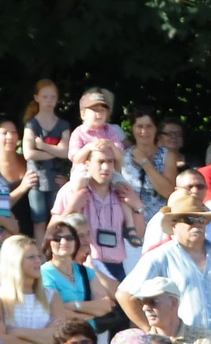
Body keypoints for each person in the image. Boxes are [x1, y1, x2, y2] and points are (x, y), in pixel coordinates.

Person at [119, 189, 211, 342]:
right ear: (174, 225)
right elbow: (125, 295)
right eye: (189, 219)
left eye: (201, 220)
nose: (196, 224)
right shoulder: (160, 257)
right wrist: (151, 331)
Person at [53, 140, 142, 280]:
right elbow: (52, 232)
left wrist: (138, 207)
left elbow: (139, 234)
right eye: (100, 162)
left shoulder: (123, 191)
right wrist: (73, 207)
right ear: (87, 165)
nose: (106, 167)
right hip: (82, 264)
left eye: (110, 162)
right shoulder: (71, 190)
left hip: (115, 266)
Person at [38, 219, 117, 324]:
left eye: (69, 238)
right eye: (57, 238)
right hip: (63, 335)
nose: (64, 242)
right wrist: (88, 314)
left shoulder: (86, 271)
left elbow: (105, 306)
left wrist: (74, 305)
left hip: (90, 335)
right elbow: (54, 311)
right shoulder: (44, 273)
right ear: (49, 243)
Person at [22, 80, 72, 223]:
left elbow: (66, 153)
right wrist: (56, 151)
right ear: (37, 98)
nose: (49, 100)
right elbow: (29, 154)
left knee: (58, 220)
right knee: (39, 221)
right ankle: (40, 246)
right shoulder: (31, 124)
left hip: (56, 180)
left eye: (53, 97)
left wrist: (43, 146)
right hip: (36, 180)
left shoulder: (63, 124)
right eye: (45, 97)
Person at [122, 108, 179, 221]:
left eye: (149, 126)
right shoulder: (124, 156)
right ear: (132, 129)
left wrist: (145, 163)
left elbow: (168, 192)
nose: (144, 131)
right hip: (131, 221)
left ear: (156, 129)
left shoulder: (167, 156)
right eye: (139, 126)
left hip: (159, 222)